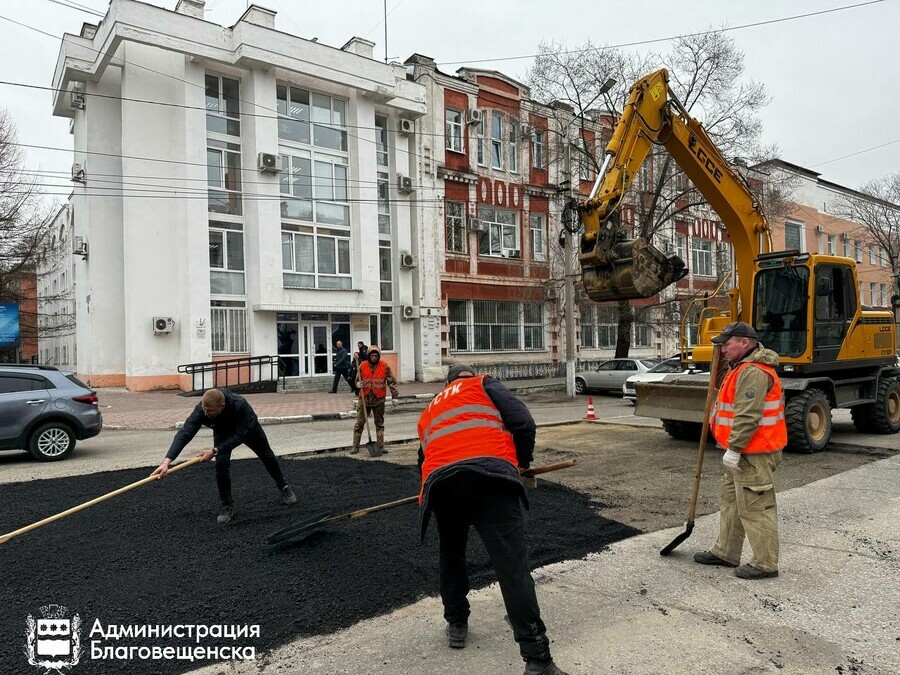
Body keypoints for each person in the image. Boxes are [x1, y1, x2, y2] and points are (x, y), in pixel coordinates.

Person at [416, 365, 568, 675]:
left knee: (452, 554)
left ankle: (456, 622)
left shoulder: (430, 408)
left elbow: (423, 460)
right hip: (490, 481)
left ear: (446, 384)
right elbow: (523, 422)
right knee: (512, 567)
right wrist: (522, 465)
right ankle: (536, 658)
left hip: (443, 487)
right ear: (468, 376)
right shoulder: (483, 384)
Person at [694, 321, 787, 579]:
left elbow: (748, 415)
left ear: (745, 342)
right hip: (740, 452)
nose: (723, 349)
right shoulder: (739, 368)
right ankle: (726, 552)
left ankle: (765, 563)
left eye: (727, 343)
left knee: (756, 507)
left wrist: (734, 448)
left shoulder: (754, 372)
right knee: (732, 504)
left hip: (753, 452)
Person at [152, 388, 297, 524]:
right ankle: (227, 506)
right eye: (205, 409)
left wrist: (215, 451)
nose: (206, 413)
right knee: (221, 465)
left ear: (222, 406)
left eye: (211, 411)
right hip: (222, 430)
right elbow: (185, 433)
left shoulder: (240, 405)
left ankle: (284, 487)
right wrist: (167, 462)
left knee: (267, 456)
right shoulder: (202, 409)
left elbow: (240, 436)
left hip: (247, 429)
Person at [351, 345, 398, 455]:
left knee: (379, 423)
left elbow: (391, 381)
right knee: (359, 423)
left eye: (376, 355)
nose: (374, 357)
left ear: (379, 356)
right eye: (372, 355)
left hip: (378, 400)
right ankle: (355, 446)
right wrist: (357, 385)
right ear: (368, 356)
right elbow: (357, 380)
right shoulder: (362, 365)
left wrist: (394, 396)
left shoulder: (384, 366)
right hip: (365, 399)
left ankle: (380, 446)